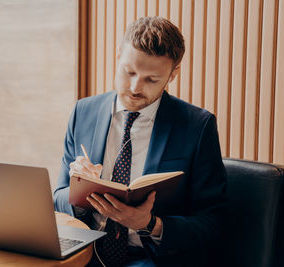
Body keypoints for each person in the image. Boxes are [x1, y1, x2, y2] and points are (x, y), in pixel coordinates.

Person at [54, 16, 227, 267]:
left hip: (151, 259)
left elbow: (214, 223)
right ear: (118, 56)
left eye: (151, 79)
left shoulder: (197, 126)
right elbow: (57, 198)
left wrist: (150, 224)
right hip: (85, 255)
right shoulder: (84, 111)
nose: (135, 87)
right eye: (129, 72)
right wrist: (77, 191)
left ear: (173, 74)